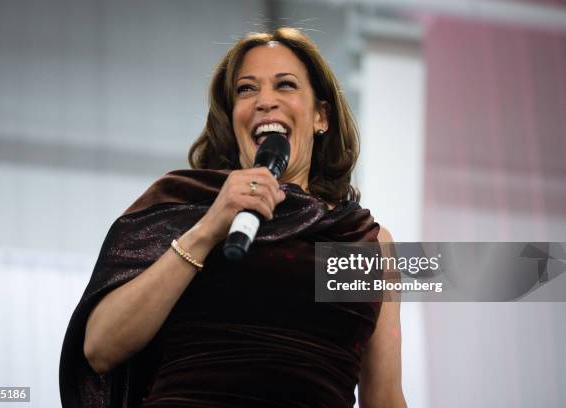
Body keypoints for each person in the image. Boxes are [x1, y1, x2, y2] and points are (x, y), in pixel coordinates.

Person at [59, 27, 406, 407]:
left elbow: (384, 397)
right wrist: (208, 228)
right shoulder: (183, 206)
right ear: (231, 117)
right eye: (246, 89)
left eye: (285, 85)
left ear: (321, 116)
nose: (264, 101)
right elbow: (100, 348)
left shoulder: (360, 242)